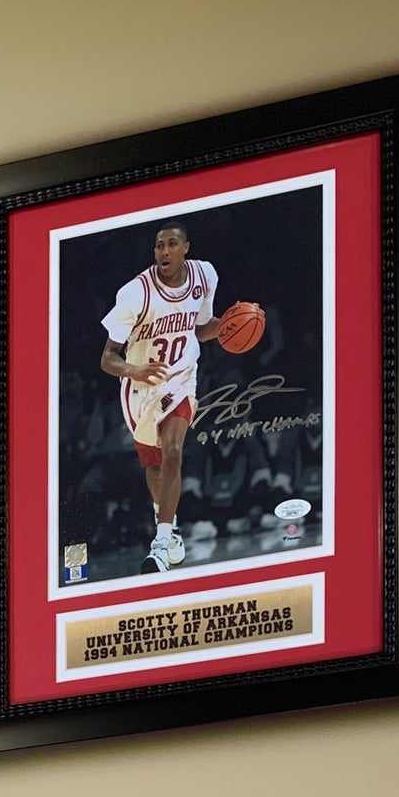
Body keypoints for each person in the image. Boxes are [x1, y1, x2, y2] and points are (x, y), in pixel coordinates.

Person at [98, 221, 259, 573]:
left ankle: (159, 543)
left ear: (186, 247)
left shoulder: (204, 276)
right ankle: (169, 526)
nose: (164, 251)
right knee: (155, 466)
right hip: (140, 385)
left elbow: (200, 329)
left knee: (173, 452)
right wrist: (134, 370)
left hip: (182, 378)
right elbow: (107, 358)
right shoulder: (136, 293)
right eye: (159, 246)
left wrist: (231, 323)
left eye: (172, 244)